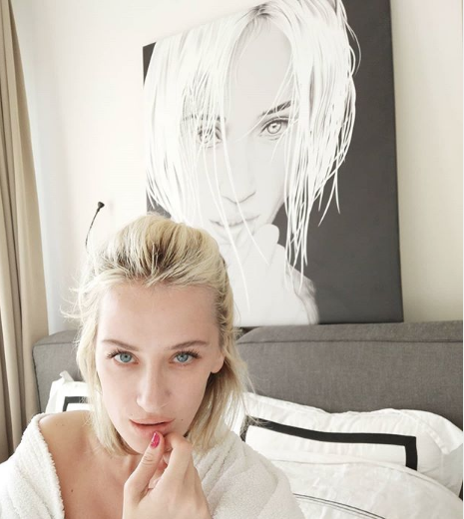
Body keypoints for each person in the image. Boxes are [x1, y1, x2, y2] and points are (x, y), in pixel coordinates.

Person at [0, 213, 342, 519]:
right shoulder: (44, 455)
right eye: (124, 356)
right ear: (92, 350)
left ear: (219, 352)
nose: (151, 399)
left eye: (183, 356)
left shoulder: (254, 502)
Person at [143, 0, 358, 326]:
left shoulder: (315, 309)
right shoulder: (134, 303)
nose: (239, 187)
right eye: (206, 132)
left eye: (274, 127)